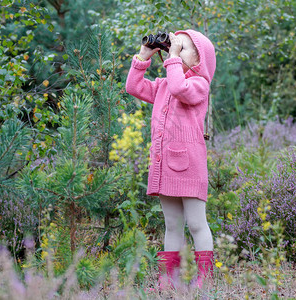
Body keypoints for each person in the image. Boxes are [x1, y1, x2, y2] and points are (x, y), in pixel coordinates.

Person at [125, 29, 216, 289]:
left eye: (182, 47)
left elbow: (180, 87)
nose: (174, 50)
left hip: (191, 166)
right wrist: (144, 56)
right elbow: (133, 86)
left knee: (197, 224)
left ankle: (204, 279)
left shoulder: (199, 85)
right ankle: (169, 279)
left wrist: (172, 57)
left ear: (200, 60)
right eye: (173, 46)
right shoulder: (163, 85)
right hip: (165, 166)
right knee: (172, 225)